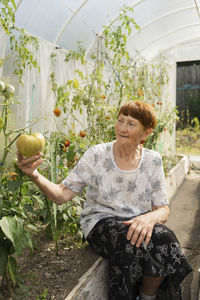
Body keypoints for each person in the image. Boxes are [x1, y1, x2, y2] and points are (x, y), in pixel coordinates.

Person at [17, 101, 192, 300]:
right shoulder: (97, 155)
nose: (123, 128)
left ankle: (146, 296)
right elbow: (61, 194)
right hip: (101, 222)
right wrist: (35, 175)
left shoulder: (153, 160)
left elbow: (163, 209)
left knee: (165, 238)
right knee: (129, 242)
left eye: (131, 123)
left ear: (146, 133)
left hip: (138, 222)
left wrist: (149, 218)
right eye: (120, 121)